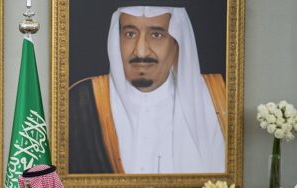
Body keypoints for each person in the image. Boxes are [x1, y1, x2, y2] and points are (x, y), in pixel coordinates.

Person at [69, 2, 226, 174]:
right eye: (130, 34)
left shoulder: (216, 100)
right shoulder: (82, 102)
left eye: (156, 35)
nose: (141, 51)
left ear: (177, 43)